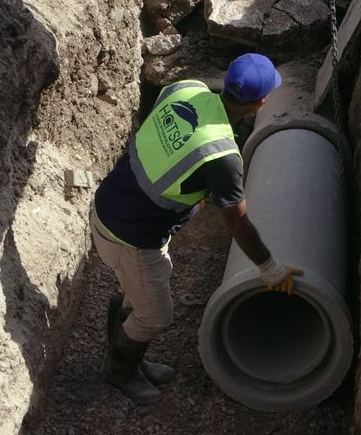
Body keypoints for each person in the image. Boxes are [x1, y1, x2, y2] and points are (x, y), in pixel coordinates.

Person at [89, 53, 303, 405]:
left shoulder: (186, 89)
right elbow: (237, 222)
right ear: (259, 104)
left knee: (137, 291)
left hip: (109, 204)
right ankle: (118, 371)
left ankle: (132, 355)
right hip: (131, 235)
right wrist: (271, 269)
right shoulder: (222, 156)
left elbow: (166, 141)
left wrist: (194, 189)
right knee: (156, 314)